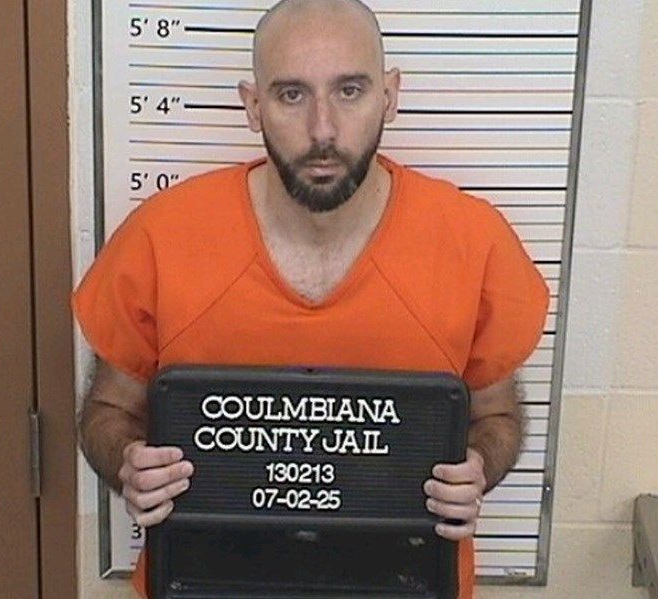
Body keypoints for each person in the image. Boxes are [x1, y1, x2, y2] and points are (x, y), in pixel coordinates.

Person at [72, 0, 550, 597]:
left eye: (350, 91)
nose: (323, 130)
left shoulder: (474, 243)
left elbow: (497, 417)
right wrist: (129, 463)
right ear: (253, 106)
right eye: (292, 95)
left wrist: (476, 467)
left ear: (389, 96)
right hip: (203, 582)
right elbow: (107, 412)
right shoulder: (160, 238)